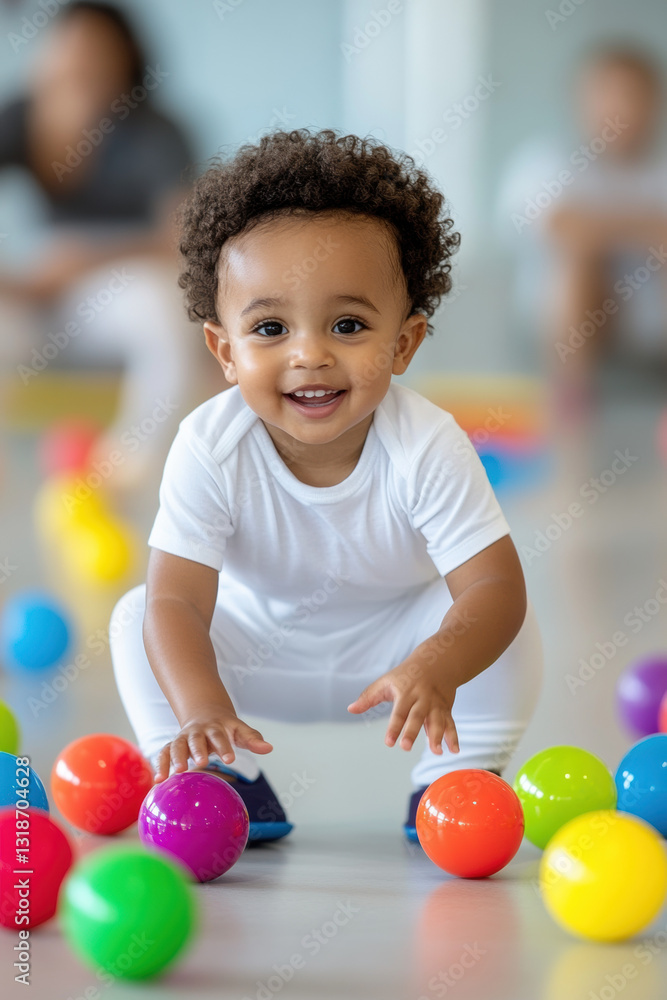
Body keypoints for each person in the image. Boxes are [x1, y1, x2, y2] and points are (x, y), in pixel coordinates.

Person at [110, 128, 544, 842]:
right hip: (253, 658)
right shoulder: (209, 445)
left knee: (508, 615)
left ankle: (457, 776)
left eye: (347, 325)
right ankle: (219, 773)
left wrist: (437, 662)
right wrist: (198, 707)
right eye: (271, 327)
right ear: (223, 350)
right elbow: (177, 600)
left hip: (402, 663)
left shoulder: (427, 442)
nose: (309, 354)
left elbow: (494, 590)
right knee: (136, 618)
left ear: (403, 343)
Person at [0, 1, 216, 491]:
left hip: (123, 279)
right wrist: (21, 279)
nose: (78, 63)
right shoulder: (19, 116)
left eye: (96, 52)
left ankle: (125, 476)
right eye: (68, 49)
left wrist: (84, 260)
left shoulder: (158, 132)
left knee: (168, 307)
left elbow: (183, 241)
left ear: (127, 60)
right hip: (41, 289)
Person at [496, 44, 667, 431]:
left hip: (652, 337)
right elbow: (568, 229)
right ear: (582, 100)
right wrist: (647, 227)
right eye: (608, 94)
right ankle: (572, 400)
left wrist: (606, 225)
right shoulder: (544, 162)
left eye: (632, 96)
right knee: (579, 256)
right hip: (560, 337)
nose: (620, 109)